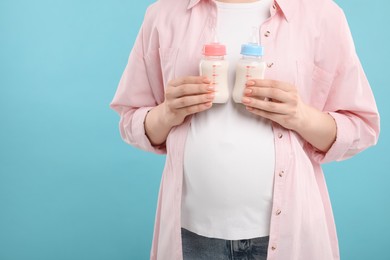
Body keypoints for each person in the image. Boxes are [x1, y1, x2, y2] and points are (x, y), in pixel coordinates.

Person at [110, 0, 380, 259]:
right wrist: (167, 113)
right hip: (190, 234)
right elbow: (130, 120)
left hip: (289, 233)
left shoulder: (322, 15)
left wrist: (300, 116)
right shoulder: (163, 14)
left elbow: (361, 125)